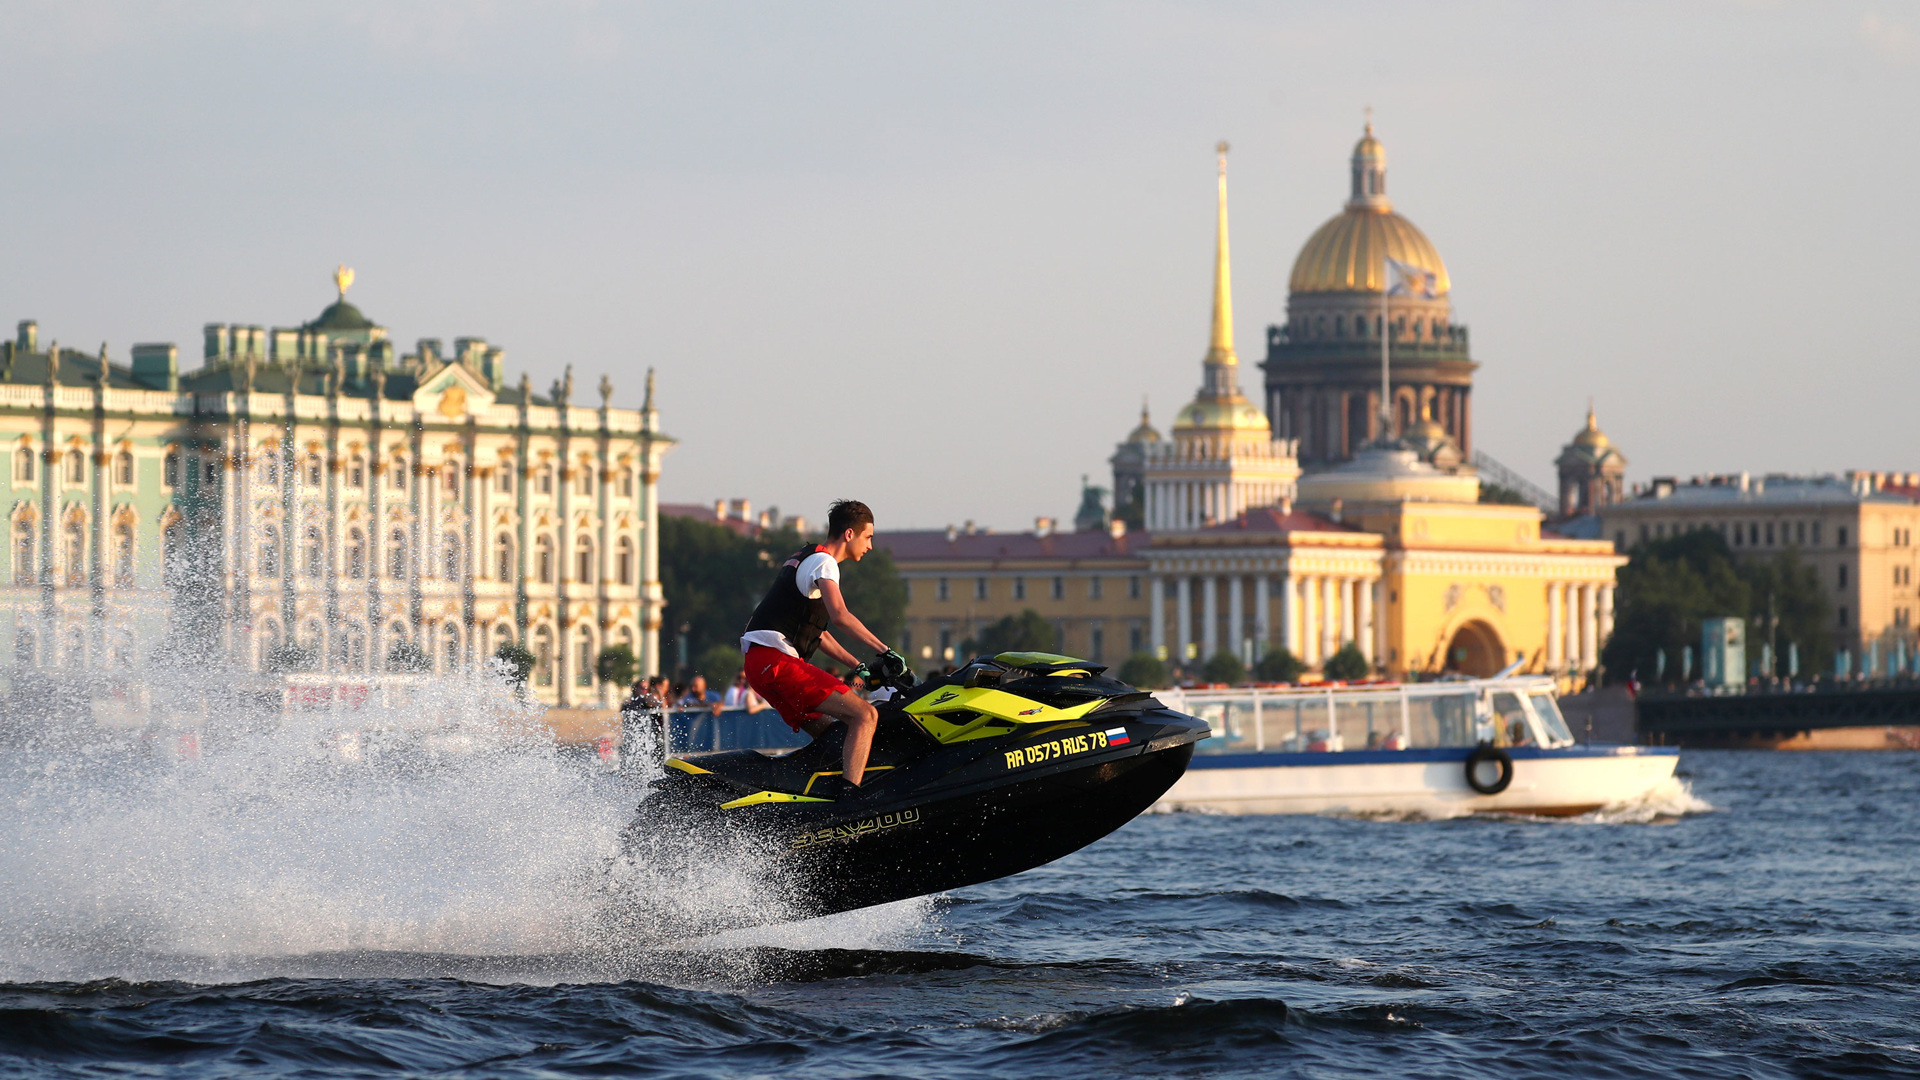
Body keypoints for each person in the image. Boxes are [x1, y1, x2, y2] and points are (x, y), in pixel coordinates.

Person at [739, 499, 905, 791]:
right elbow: (840, 616)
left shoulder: (806, 557)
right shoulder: (825, 563)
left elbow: (820, 634)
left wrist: (858, 666)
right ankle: (849, 799)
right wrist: (885, 651)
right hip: (776, 662)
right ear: (849, 534)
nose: (870, 546)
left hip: (759, 665)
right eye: (868, 537)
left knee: (833, 732)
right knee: (866, 715)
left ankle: (811, 792)